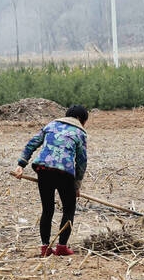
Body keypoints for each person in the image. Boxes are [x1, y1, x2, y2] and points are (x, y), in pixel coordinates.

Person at [13, 105, 88, 257]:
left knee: (47, 209)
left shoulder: (51, 125)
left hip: (43, 170)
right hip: (64, 173)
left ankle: (45, 248)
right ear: (80, 119)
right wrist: (77, 185)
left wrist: (21, 165)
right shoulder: (80, 133)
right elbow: (81, 161)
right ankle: (61, 247)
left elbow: (32, 144)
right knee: (68, 209)